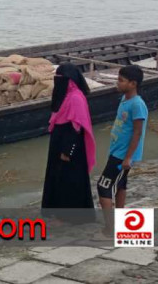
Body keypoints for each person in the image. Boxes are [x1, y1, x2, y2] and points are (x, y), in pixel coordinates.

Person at [96, 65, 148, 238]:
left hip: (122, 156)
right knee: (120, 185)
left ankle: (110, 229)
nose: (117, 83)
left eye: (121, 80)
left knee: (103, 186)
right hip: (116, 151)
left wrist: (128, 158)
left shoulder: (137, 105)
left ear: (133, 84)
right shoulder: (124, 99)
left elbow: (137, 132)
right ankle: (120, 222)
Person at [41, 63, 96, 223]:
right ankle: (58, 212)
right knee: (57, 177)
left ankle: (73, 217)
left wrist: (67, 151)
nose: (57, 82)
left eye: (60, 79)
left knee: (70, 180)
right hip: (58, 143)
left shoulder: (76, 98)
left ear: (69, 80)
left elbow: (76, 128)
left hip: (71, 147)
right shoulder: (64, 97)